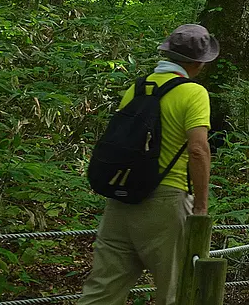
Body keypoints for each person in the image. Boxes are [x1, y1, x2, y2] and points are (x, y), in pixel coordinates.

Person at [78, 24, 218, 305]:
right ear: (198, 63)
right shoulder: (193, 93)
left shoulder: (137, 88)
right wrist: (201, 206)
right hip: (166, 201)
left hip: (121, 199)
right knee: (177, 291)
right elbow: (198, 150)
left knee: (102, 291)